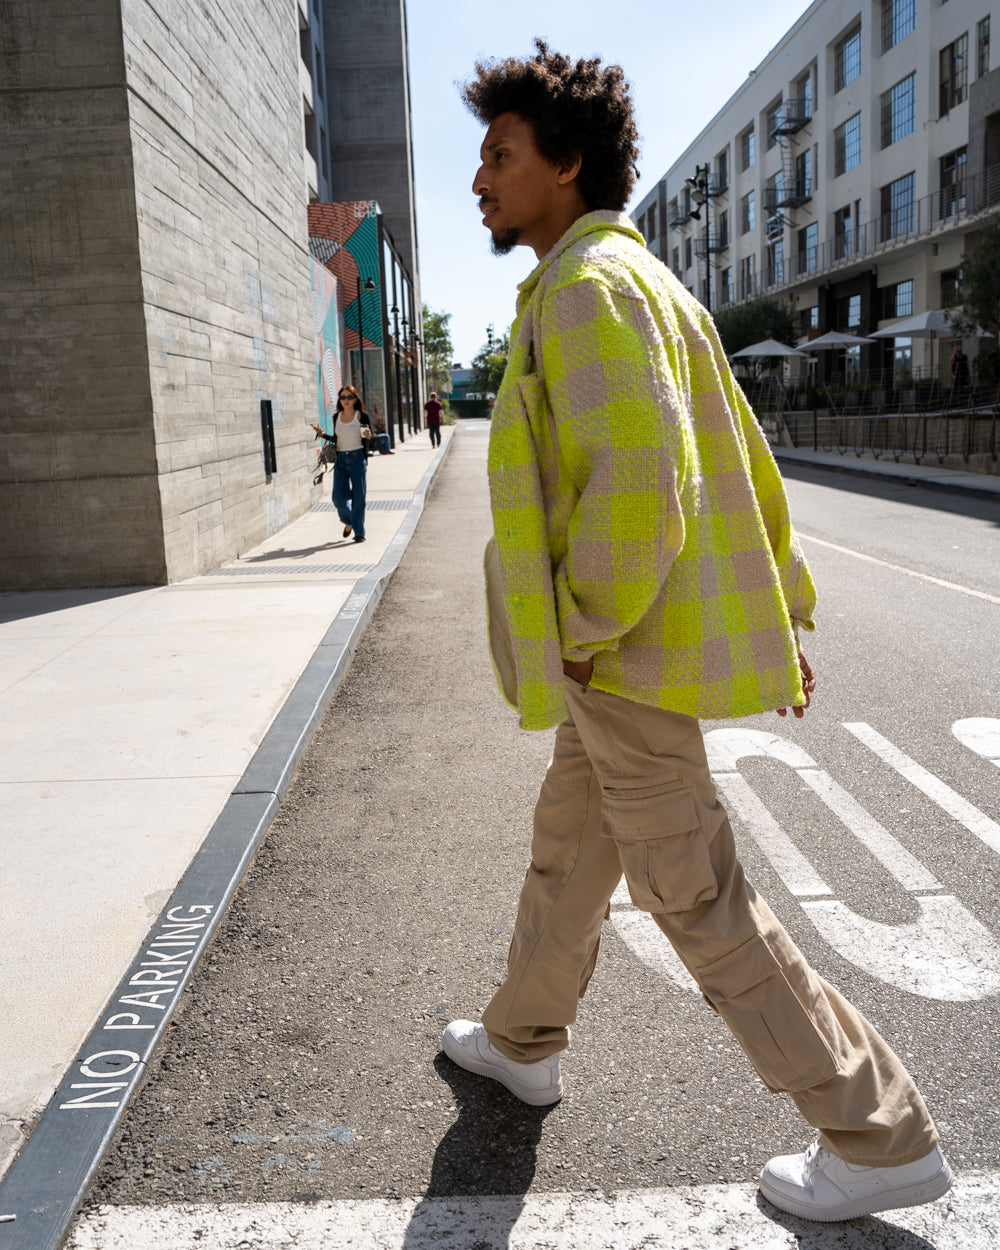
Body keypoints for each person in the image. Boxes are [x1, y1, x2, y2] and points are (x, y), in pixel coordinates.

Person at [441, 41, 952, 1224]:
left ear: (563, 166)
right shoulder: (636, 282)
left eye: (500, 156)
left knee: (697, 893)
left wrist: (576, 628)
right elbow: (737, 458)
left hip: (616, 653)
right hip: (619, 656)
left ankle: (873, 1130)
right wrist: (784, 595)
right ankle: (522, 1038)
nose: (481, 179)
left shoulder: (584, 292)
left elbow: (642, 491)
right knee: (571, 844)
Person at [312, 384, 372, 542]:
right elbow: (336, 439)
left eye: (349, 397)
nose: (346, 400)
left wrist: (368, 435)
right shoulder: (336, 417)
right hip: (341, 460)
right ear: (340, 400)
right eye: (343, 397)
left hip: (357, 458)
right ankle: (351, 522)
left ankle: (359, 533)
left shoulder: (361, 416)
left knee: (359, 498)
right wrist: (323, 434)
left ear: (354, 399)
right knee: (338, 498)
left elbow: (368, 435)